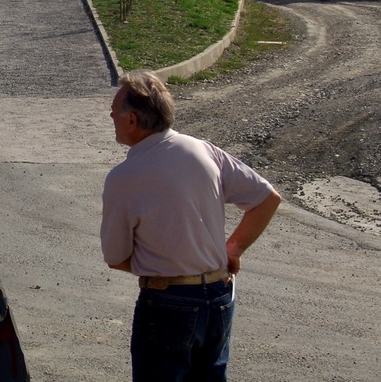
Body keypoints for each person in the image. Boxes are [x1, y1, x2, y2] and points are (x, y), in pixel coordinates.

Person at [100, 70, 281, 382]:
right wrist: (232, 248)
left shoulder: (124, 178)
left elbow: (116, 257)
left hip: (167, 302)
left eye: (113, 111)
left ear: (131, 121)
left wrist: (161, 262)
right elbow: (267, 198)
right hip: (218, 296)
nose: (109, 115)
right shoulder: (203, 150)